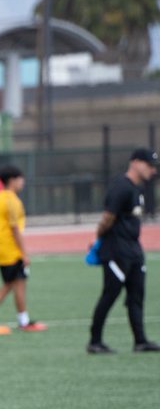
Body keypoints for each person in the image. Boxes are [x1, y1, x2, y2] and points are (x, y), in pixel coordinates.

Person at [87, 149, 160, 354]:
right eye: (149, 165)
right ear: (135, 162)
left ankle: (140, 340)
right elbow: (107, 218)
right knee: (111, 293)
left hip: (134, 249)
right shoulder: (121, 187)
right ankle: (95, 341)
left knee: (137, 294)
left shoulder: (138, 188)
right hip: (116, 249)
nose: (152, 170)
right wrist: (99, 239)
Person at [0, 165, 47, 334]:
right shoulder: (10, 200)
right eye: (20, 179)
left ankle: (23, 320)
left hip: (4, 248)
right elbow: (14, 228)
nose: (22, 182)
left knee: (19, 283)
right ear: (12, 180)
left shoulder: (0, 197)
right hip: (11, 250)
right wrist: (24, 252)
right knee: (10, 284)